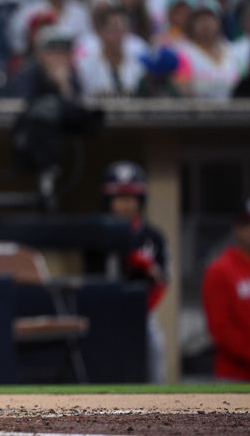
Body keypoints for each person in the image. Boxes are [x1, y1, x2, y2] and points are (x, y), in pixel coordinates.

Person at [91, 161, 168, 382]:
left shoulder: (152, 236)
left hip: (143, 312)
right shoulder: (97, 234)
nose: (125, 204)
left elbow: (162, 280)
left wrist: (143, 307)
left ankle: (158, 408)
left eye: (130, 198)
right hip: (103, 313)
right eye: (119, 198)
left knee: (154, 350)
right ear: (109, 201)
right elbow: (92, 277)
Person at [202, 197, 250, 381]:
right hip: (235, 376)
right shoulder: (220, 269)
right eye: (247, 223)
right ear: (237, 228)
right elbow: (220, 329)